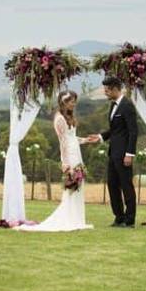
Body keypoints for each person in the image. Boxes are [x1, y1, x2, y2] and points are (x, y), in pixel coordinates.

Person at [17, 90, 94, 232]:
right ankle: (69, 218)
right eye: (71, 101)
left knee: (79, 185)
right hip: (69, 155)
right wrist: (64, 162)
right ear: (64, 102)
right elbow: (63, 143)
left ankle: (76, 219)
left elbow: (72, 138)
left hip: (76, 152)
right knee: (72, 185)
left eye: (74, 101)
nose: (74, 104)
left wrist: (85, 140)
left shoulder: (69, 117)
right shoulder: (59, 119)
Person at [87, 76, 138, 228]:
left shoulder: (127, 105)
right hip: (113, 153)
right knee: (112, 184)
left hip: (123, 155)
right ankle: (119, 217)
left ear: (116, 89)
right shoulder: (113, 105)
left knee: (126, 185)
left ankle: (129, 220)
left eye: (107, 90)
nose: (105, 93)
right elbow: (115, 130)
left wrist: (129, 154)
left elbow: (133, 131)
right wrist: (100, 137)